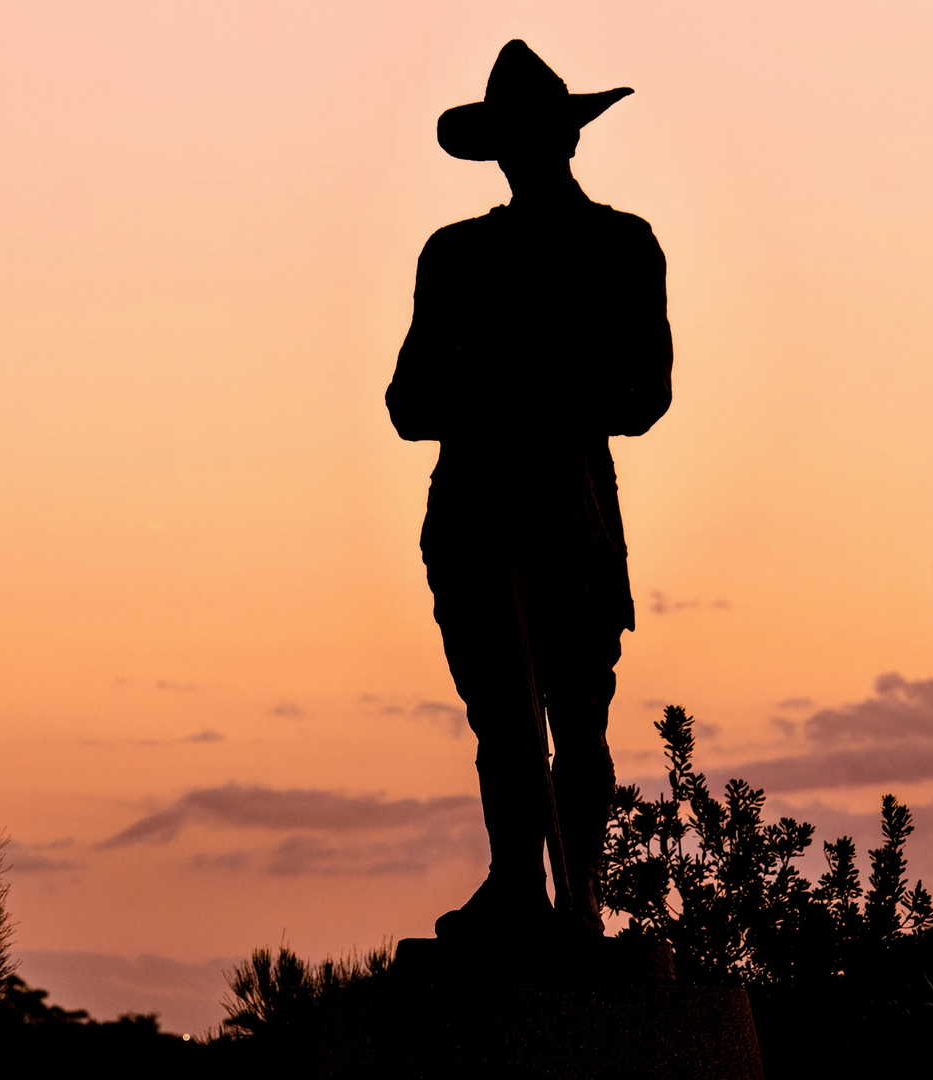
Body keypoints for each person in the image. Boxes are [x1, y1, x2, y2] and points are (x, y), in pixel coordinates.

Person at [386, 40, 673, 942]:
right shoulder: (457, 257)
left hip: (571, 509)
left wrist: (545, 388)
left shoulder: (621, 247)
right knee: (503, 717)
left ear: (569, 140)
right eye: (511, 138)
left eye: (537, 134)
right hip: (472, 510)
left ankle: (579, 892)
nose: (526, 152)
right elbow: (406, 402)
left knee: (578, 710)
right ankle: (517, 884)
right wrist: (467, 390)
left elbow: (648, 393)